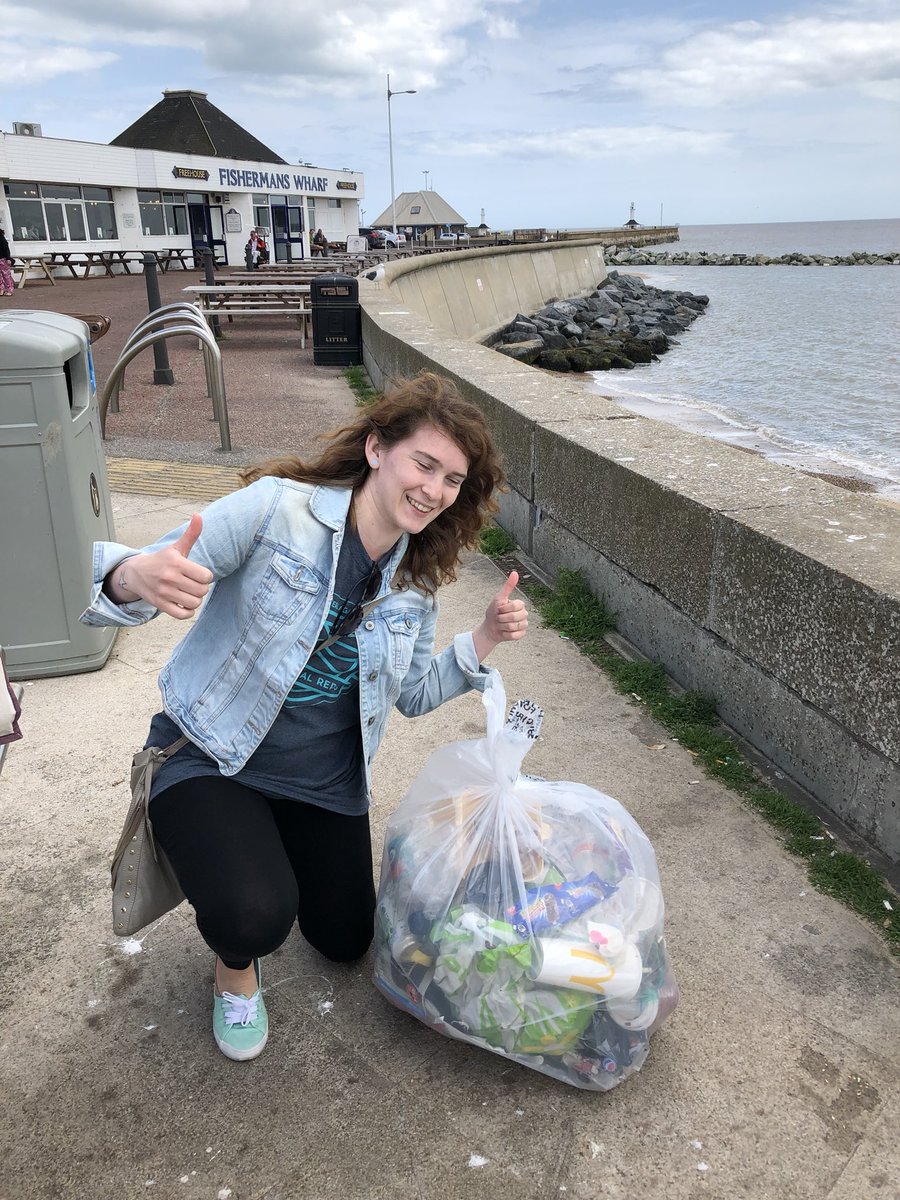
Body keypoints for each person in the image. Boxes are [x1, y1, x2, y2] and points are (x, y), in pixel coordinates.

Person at [80, 373, 528, 1063]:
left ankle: (260, 847)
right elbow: (144, 568)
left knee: (346, 941)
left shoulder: (414, 584)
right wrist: (131, 579)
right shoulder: (274, 511)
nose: (434, 490)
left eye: (452, 480)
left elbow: (410, 696)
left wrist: (484, 642)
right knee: (256, 914)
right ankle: (234, 971)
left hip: (322, 784)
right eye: (425, 464)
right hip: (212, 756)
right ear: (378, 449)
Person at [0, 227, 14, 296]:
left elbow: (6, 249)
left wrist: (8, 258)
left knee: (6, 275)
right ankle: (1, 289)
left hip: (3, 259)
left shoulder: (1, 238)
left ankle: (9, 289)